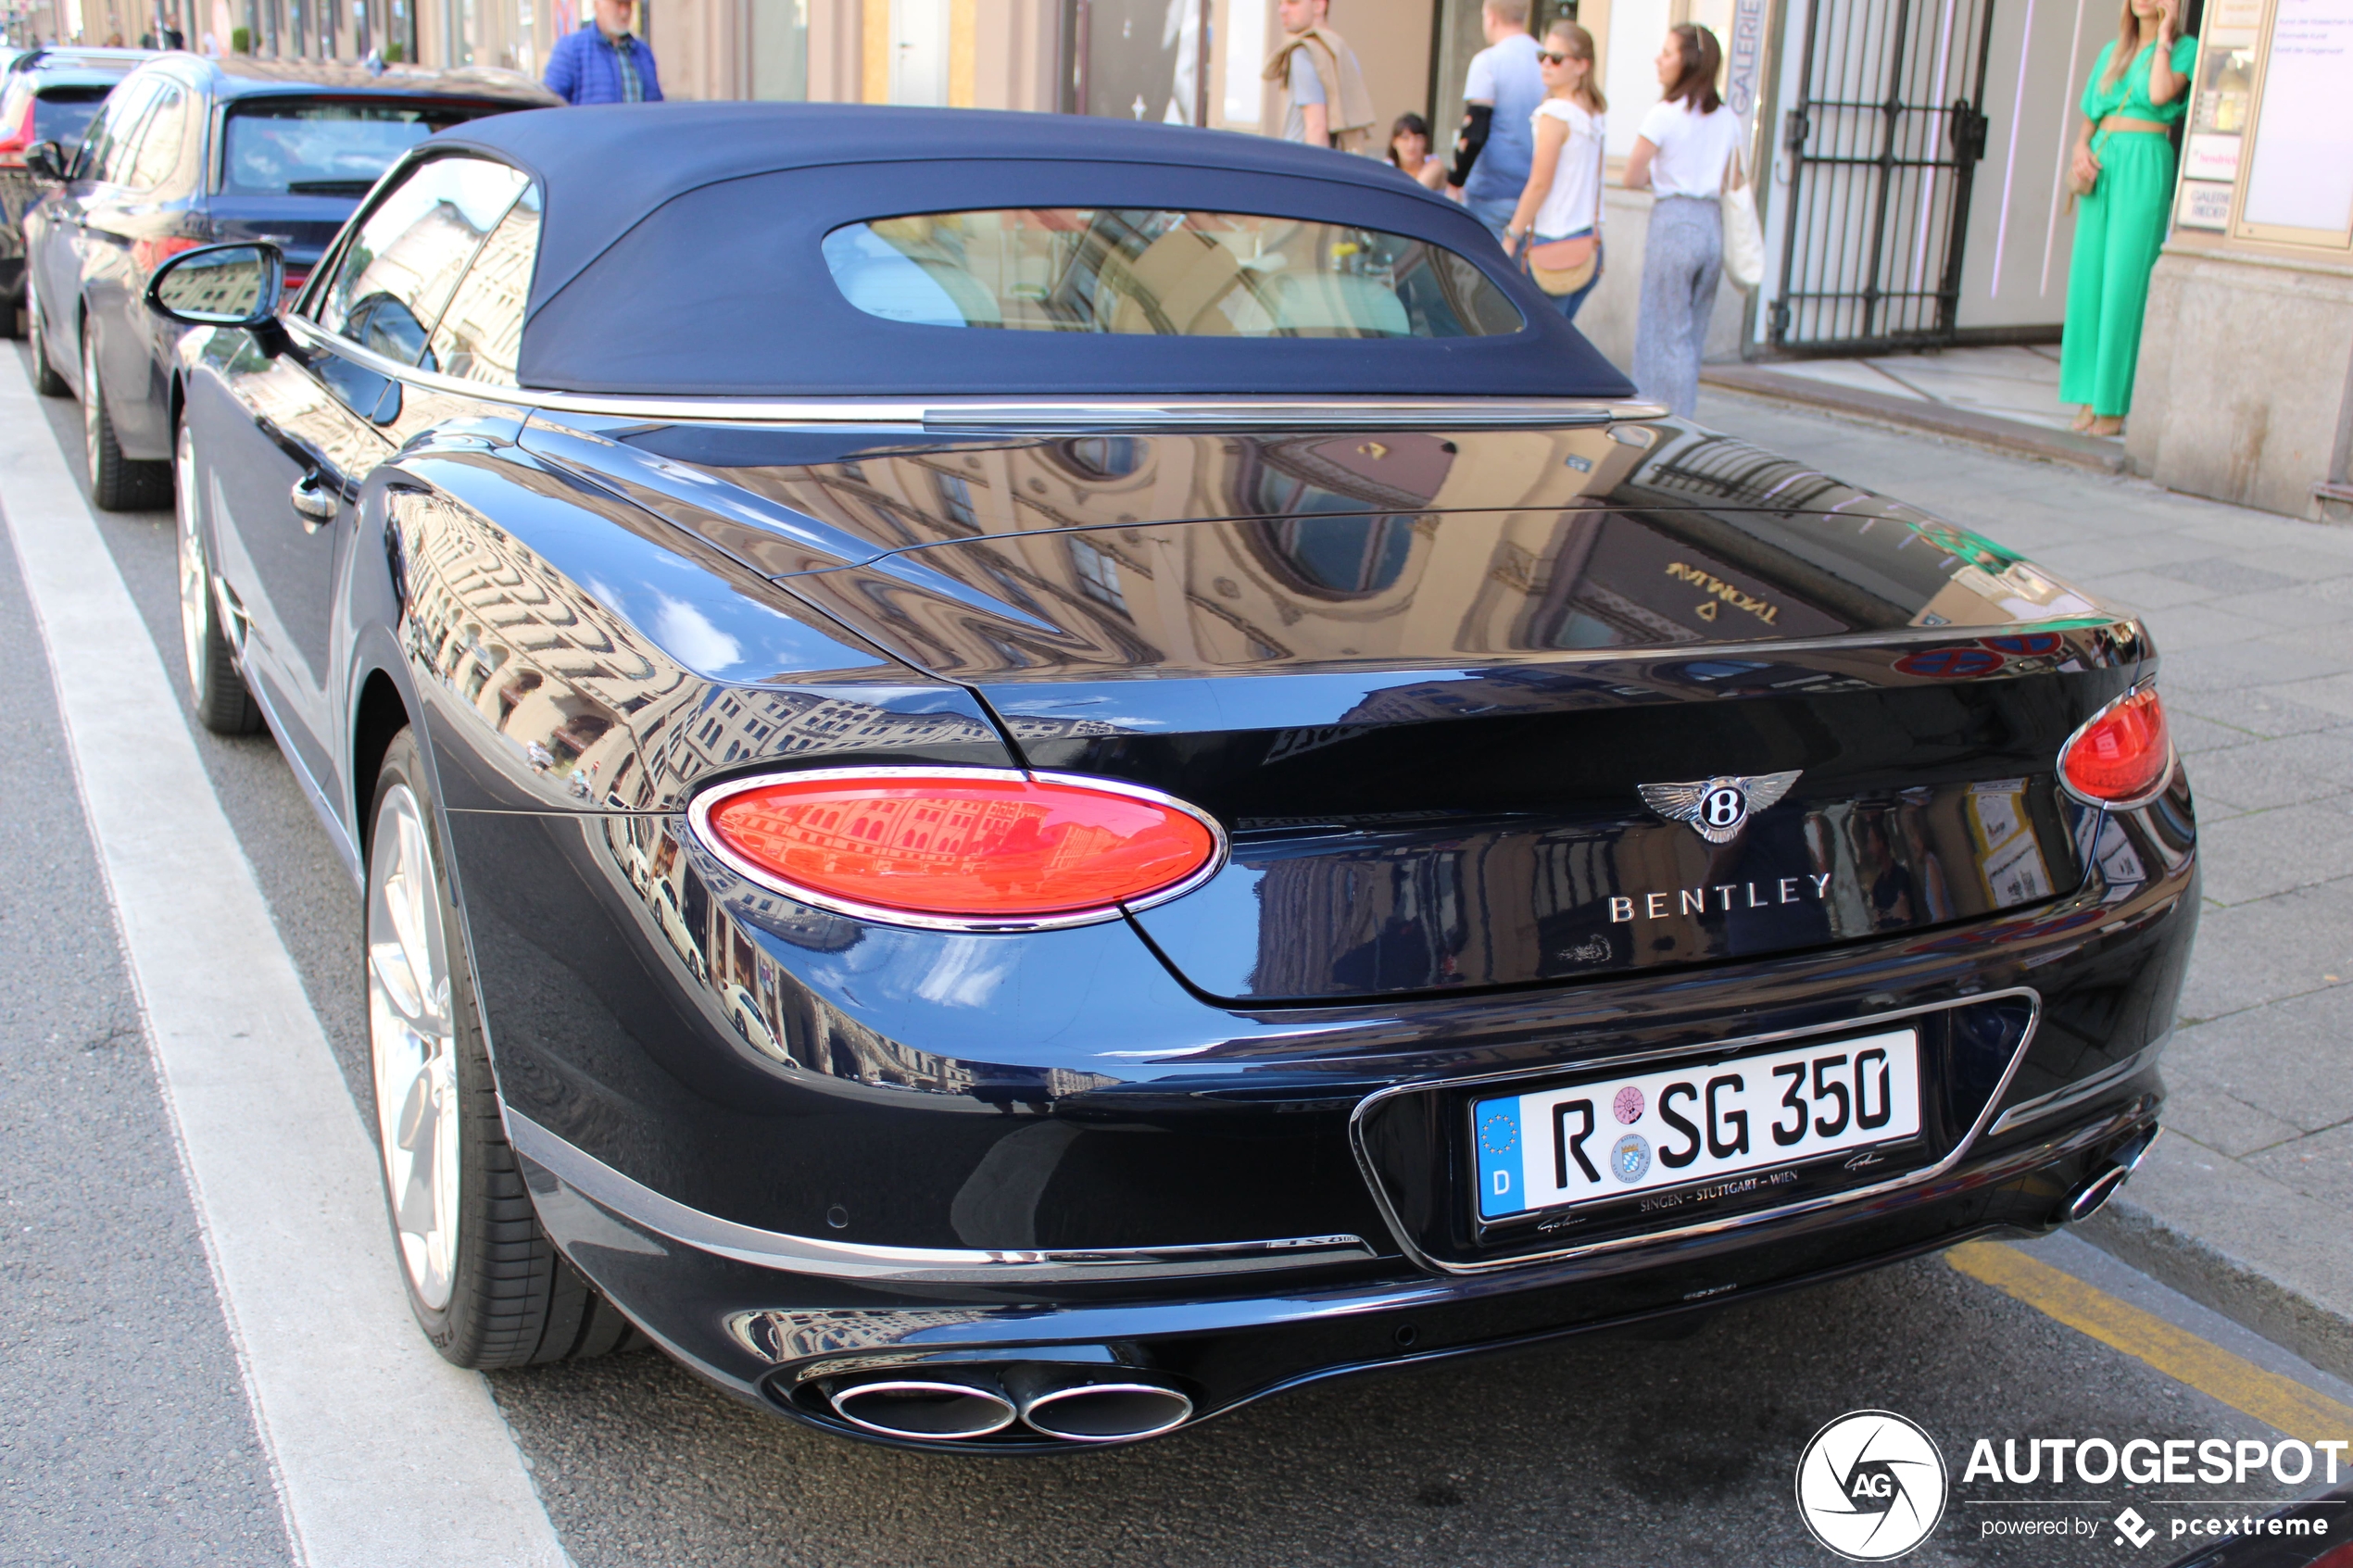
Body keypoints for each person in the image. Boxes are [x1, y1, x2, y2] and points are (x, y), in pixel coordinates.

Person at [2060, 0, 2194, 436]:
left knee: (2123, 283)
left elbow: (2158, 95)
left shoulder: (2186, 50)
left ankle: (2113, 402)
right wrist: (2080, 150)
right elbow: (2088, 122)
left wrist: (2165, 36)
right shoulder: (2111, 51)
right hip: (2102, 167)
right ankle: (2086, 394)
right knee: (2090, 282)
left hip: (2145, 164)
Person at [1622, 23, 1742, 418]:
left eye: (1668, 53)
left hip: (1675, 221)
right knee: (1689, 337)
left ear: (1689, 62)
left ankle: (1662, 422)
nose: (1659, 60)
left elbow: (1631, 175)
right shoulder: (1728, 119)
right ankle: (1683, 419)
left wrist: (1664, 177)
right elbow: (1734, 181)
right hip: (1711, 224)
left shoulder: (1665, 114)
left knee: (1660, 333)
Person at [1500, 21, 1608, 322]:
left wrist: (1511, 236)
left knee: (1538, 343)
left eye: (1557, 58)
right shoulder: (1593, 114)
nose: (1547, 64)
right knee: (1561, 339)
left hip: (1554, 242)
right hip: (1589, 241)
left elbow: (1539, 183)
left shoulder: (1555, 114)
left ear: (1582, 66)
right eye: (1543, 56)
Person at [1448, 0, 1546, 241]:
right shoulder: (1546, 61)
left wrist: (1455, 182)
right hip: (1534, 198)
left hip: (1490, 193)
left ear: (1490, 17)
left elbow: (1475, 131)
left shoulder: (1487, 62)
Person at [1263, 0, 1376, 151]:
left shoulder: (1304, 52)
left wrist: (1314, 172)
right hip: (1339, 162)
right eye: (1280, 3)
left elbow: (1316, 127)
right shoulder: (1344, 54)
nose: (1282, 10)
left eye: (1292, 2)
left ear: (1319, 5)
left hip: (1301, 162)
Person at [545, 0, 664, 106]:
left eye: (628, 5)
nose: (624, 12)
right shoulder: (571, 49)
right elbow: (549, 106)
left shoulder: (643, 53)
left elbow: (656, 109)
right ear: (598, 4)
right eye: (618, 4)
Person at [1387, 112, 1448, 190]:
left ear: (1425, 142)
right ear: (1394, 142)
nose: (1411, 145)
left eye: (1418, 138)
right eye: (1405, 138)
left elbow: (1416, 192)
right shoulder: (1388, 167)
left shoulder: (1434, 165)